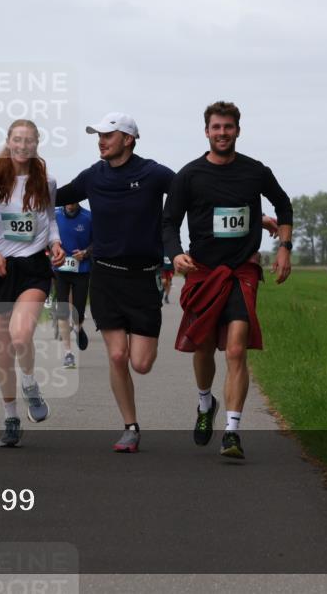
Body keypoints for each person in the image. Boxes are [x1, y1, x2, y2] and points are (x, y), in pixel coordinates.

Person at [163, 101, 293, 459]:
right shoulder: (189, 175)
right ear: (206, 132)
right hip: (203, 271)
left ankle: (232, 432)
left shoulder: (255, 171)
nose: (222, 133)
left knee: (236, 349)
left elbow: (284, 205)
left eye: (229, 127)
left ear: (238, 130)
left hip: (241, 271)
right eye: (216, 127)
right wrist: (175, 254)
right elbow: (169, 221)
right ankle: (206, 404)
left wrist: (284, 248)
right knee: (203, 348)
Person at [56, 113, 175, 453]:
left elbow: (189, 193)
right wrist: (14, 186)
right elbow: (54, 195)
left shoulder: (153, 173)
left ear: (129, 139)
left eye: (108, 135)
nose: (101, 140)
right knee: (118, 355)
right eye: (98, 135)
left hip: (144, 278)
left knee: (141, 363)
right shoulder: (94, 176)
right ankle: (130, 426)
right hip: (105, 275)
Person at [0, 120, 65, 447]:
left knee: (21, 335)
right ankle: (10, 417)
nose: (23, 146)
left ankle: (30, 384)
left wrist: (55, 243)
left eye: (29, 141)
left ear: (37, 143)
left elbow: (50, 220)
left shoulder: (46, 181)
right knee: (3, 349)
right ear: (8, 141)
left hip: (33, 267)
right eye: (17, 140)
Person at [53, 202, 93, 368]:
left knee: (79, 311)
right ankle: (68, 354)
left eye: (74, 200)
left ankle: (79, 327)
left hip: (81, 269)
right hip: (60, 269)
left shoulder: (88, 217)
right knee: (62, 310)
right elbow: (47, 235)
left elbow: (98, 241)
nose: (70, 204)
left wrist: (85, 253)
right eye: (67, 201)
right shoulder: (54, 215)